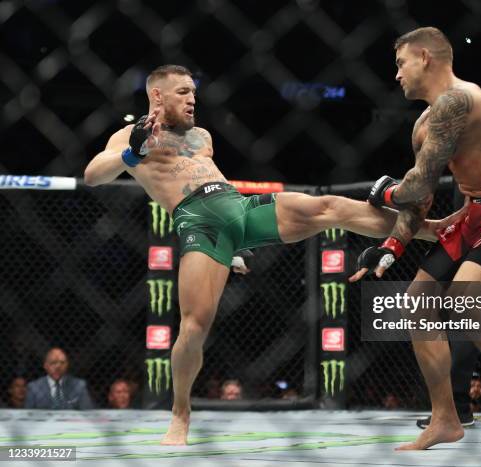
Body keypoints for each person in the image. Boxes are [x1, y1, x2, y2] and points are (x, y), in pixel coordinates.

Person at [84, 64, 459, 445]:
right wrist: (133, 152)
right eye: (182, 92)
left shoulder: (201, 136)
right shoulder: (131, 137)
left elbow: (213, 181)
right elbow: (93, 175)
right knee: (194, 327)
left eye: (193, 91)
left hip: (239, 208)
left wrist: (239, 244)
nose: (192, 98)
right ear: (158, 96)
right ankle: (180, 415)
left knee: (327, 206)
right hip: (199, 224)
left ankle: (436, 228)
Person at [350, 27, 481, 453]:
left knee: (461, 298)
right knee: (416, 302)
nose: (396, 74)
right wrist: (390, 249)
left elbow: (413, 186)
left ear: (424, 57)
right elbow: (422, 199)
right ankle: (445, 418)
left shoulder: (459, 99)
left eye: (400, 63)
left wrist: (383, 191)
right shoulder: (423, 124)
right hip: (473, 213)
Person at [25, 347, 94, 410]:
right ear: (45, 365)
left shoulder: (79, 385)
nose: (58, 366)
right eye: (53, 362)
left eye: (62, 362)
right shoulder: (34, 387)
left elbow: (87, 412)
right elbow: (28, 415)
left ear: (67, 365)